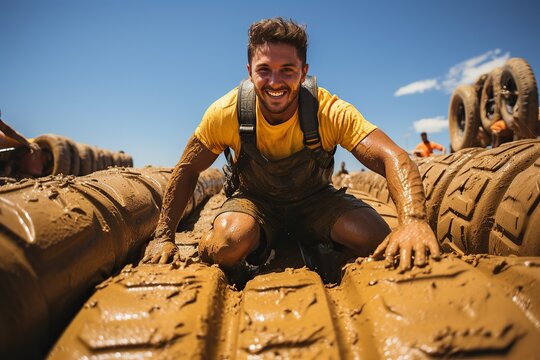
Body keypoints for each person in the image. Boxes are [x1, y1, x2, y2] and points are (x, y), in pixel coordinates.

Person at [143, 17, 440, 272]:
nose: (275, 81)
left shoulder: (327, 110)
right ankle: (259, 246)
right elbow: (187, 168)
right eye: (264, 70)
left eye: (287, 69)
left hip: (315, 201)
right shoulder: (227, 112)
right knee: (225, 245)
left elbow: (392, 156)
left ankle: (322, 247)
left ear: (303, 70)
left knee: (373, 237)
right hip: (255, 202)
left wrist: (413, 220)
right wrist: (163, 236)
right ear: (249, 71)